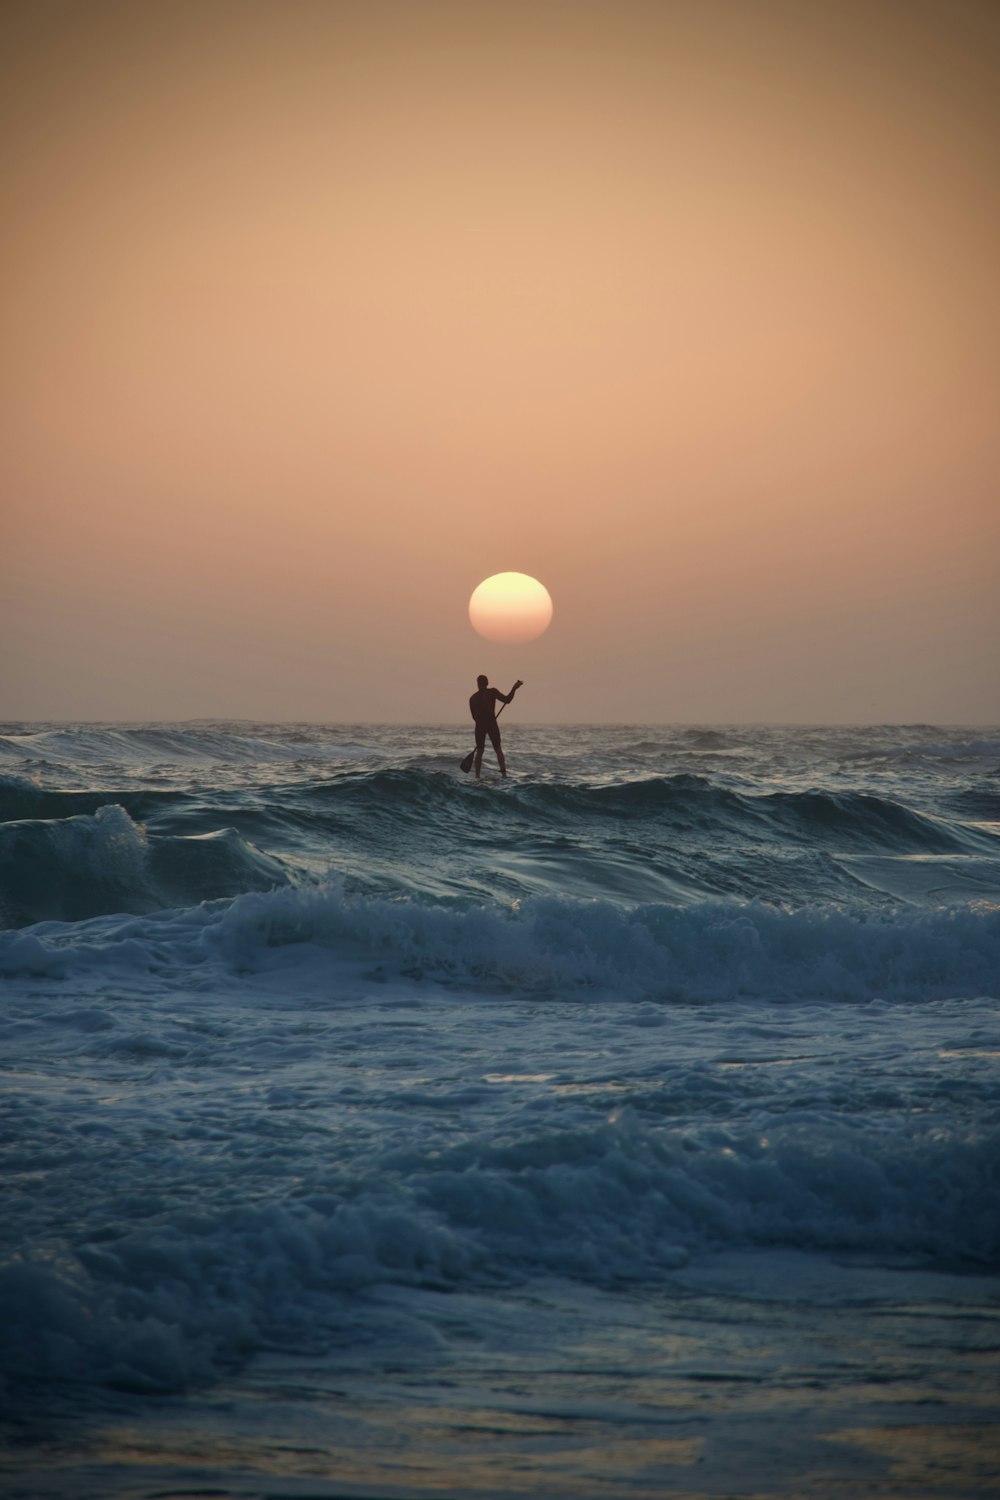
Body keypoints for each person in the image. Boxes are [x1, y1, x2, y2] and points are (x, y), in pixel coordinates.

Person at [469, 675, 522, 778]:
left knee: (480, 751)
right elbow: (507, 700)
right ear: (487, 683)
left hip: (479, 726)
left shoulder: (472, 698)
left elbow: (474, 716)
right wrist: (514, 688)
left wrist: (482, 722)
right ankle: (504, 775)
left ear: (477, 684)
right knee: (498, 749)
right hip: (492, 724)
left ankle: (477, 776)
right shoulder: (492, 692)